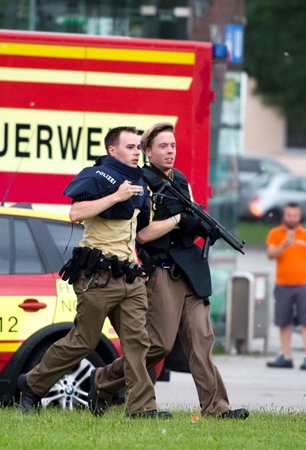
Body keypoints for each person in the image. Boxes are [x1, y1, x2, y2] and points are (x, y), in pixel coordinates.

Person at [88, 122, 249, 420]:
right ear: (147, 151)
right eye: (162, 146)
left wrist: (200, 227)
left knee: (202, 342)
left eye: (173, 145)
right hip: (162, 271)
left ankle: (217, 407)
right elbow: (144, 234)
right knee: (158, 343)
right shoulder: (142, 182)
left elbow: (188, 222)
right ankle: (103, 380)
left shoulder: (181, 180)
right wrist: (178, 220)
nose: (170, 151)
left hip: (191, 271)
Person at [17, 126, 168, 418]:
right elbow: (75, 213)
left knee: (138, 342)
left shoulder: (141, 185)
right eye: (130, 147)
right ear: (113, 150)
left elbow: (140, 232)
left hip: (130, 276)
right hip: (98, 276)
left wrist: (176, 221)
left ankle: (141, 408)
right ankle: (32, 385)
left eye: (138, 147)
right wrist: (115, 196)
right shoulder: (96, 175)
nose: (137, 152)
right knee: (83, 341)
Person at [265, 202, 306, 370]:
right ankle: (286, 356)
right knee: (283, 322)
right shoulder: (275, 233)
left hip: (303, 285)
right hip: (283, 284)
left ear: (299, 216)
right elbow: (270, 255)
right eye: (289, 215)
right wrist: (284, 244)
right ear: (284, 216)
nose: (292, 218)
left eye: (295, 215)